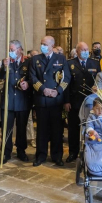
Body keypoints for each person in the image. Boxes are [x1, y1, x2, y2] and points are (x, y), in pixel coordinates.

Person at [30, 36, 70, 167]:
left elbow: (66, 78)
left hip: (56, 100)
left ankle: (57, 156)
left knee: (57, 130)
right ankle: (40, 155)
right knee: (41, 130)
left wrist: (58, 91)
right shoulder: (35, 59)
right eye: (42, 44)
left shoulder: (61, 59)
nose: (43, 46)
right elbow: (32, 77)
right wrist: (43, 89)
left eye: (45, 44)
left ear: (52, 45)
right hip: (42, 99)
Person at [64, 42, 101, 163]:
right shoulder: (70, 63)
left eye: (87, 49)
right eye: (83, 49)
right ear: (78, 51)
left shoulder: (94, 63)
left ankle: (89, 151)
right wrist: (66, 101)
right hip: (75, 101)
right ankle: (73, 153)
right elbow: (66, 84)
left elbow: (98, 81)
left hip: (90, 102)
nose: (85, 51)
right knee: (73, 128)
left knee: (89, 127)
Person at [0, 40, 32, 164]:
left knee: (21, 128)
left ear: (20, 50)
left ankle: (21, 151)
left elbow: (32, 78)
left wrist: (27, 83)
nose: (10, 52)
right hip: (8, 101)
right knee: (6, 128)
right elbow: (0, 76)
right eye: (9, 50)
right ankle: (6, 152)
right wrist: (4, 67)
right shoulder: (6, 61)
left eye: (12, 49)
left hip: (22, 101)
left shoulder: (27, 62)